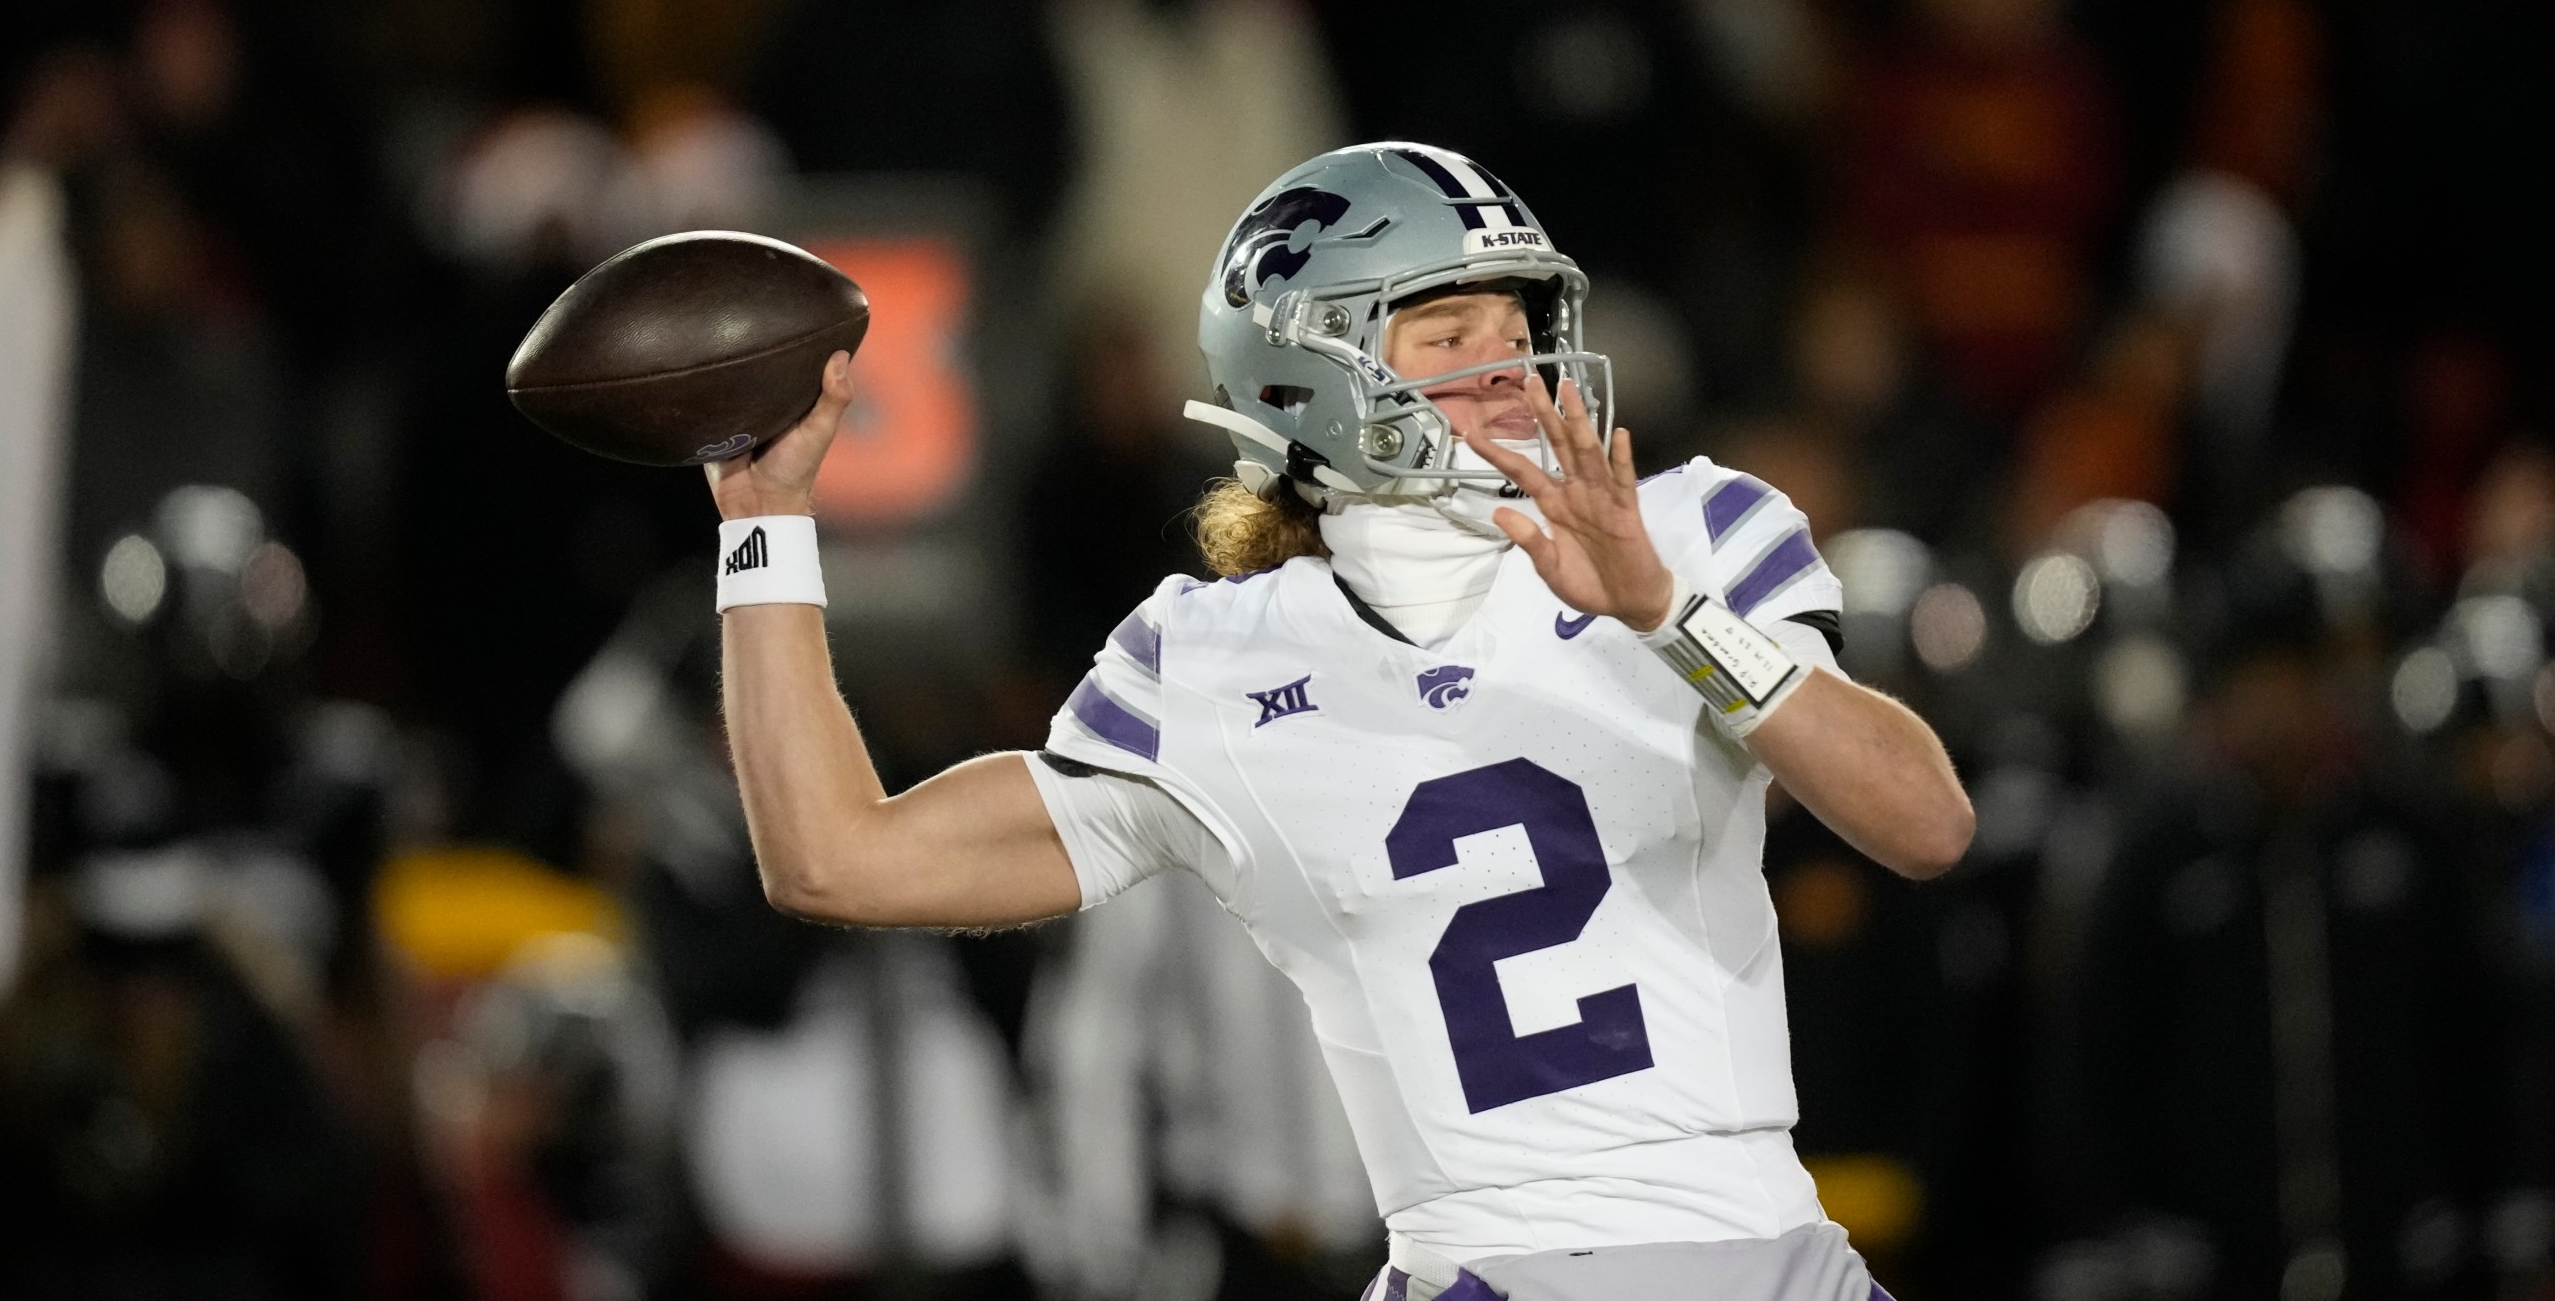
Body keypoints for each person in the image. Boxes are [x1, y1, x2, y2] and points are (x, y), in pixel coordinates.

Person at [705, 143, 1973, 1301]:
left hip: (1784, 1255)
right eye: (1446, 330)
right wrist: (764, 526)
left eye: (1518, 326)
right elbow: (834, 857)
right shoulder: (1209, 663)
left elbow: (1925, 823)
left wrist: (1663, 611)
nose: (1509, 371)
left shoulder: (1692, 533)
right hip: (1490, 1269)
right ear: (1306, 371)